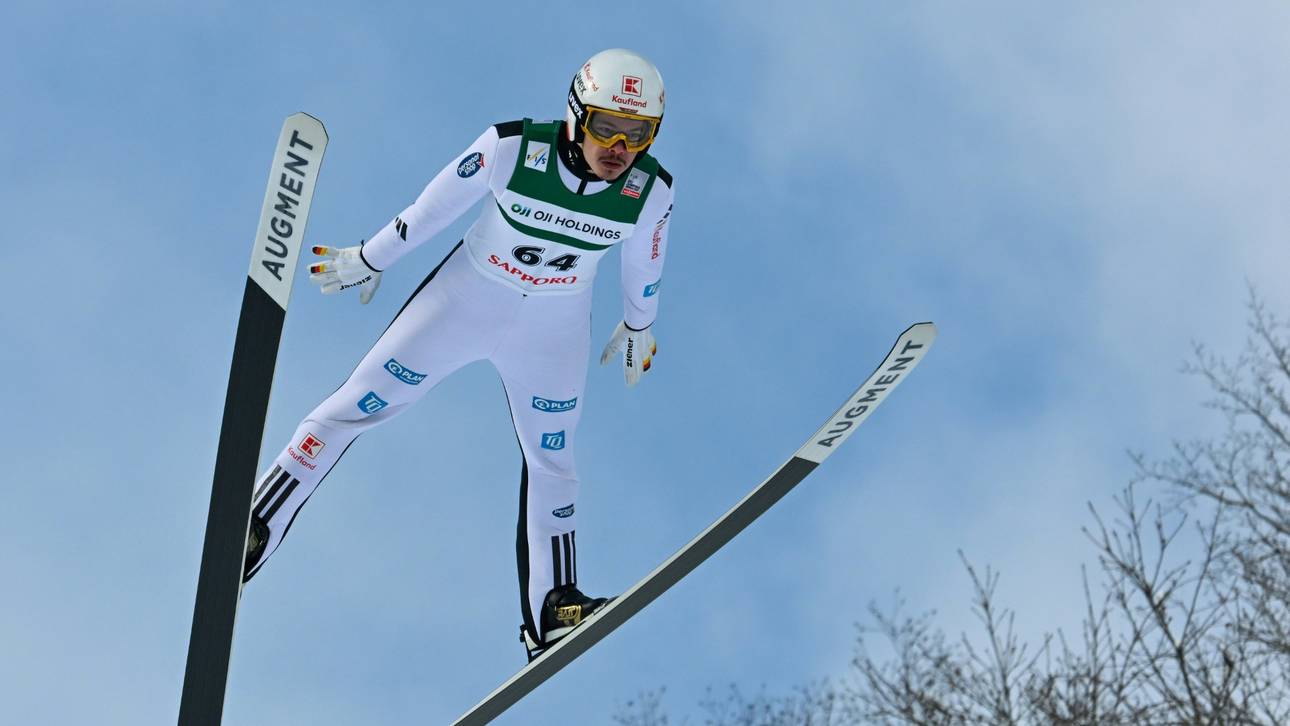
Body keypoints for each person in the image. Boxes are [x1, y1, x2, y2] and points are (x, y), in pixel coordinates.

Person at [241, 48, 674, 660]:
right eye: (607, 126)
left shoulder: (649, 191)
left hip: (552, 329)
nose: (620, 148)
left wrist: (638, 324)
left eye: (639, 134)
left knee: (554, 460)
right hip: (465, 302)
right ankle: (255, 525)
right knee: (354, 406)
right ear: (577, 115)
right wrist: (370, 257)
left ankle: (554, 607)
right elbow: (431, 211)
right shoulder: (512, 148)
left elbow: (646, 260)